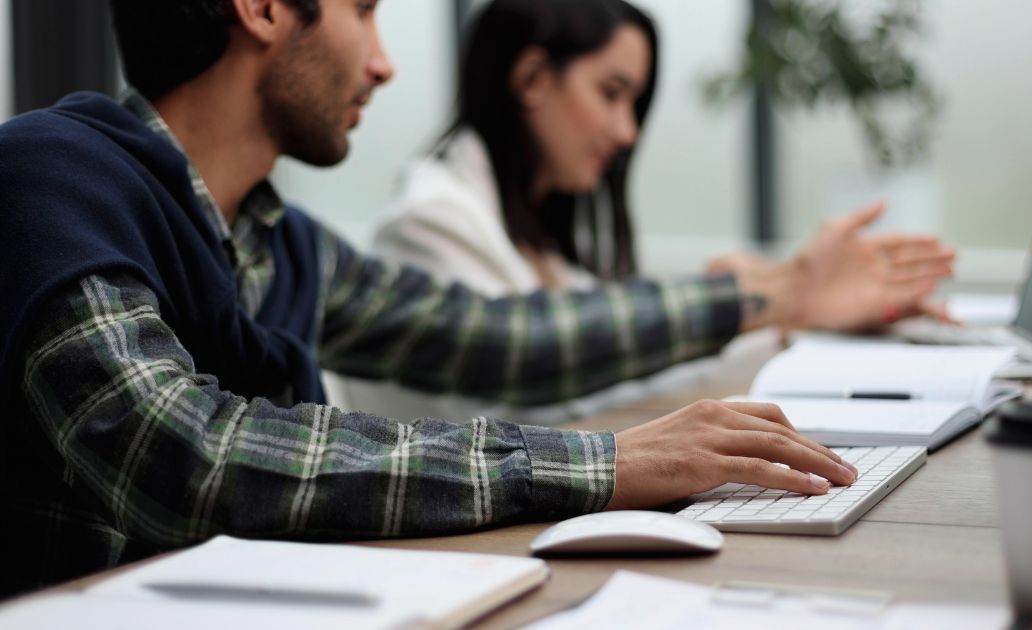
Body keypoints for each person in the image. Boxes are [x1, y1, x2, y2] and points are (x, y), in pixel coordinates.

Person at [0, 0, 941, 596]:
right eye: (363, 11)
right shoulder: (50, 180)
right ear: (260, 9)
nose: (384, 63)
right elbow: (188, 456)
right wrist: (604, 463)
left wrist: (770, 294)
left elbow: (503, 339)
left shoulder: (279, 244)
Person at [355, 0, 956, 421]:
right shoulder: (426, 223)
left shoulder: (533, 234)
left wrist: (783, 316)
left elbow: (619, 359)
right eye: (612, 94)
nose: (626, 132)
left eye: (634, 103)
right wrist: (763, 296)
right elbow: (550, 387)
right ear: (533, 77)